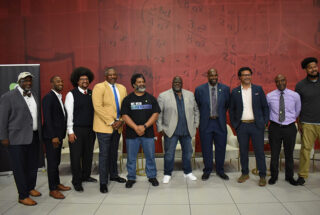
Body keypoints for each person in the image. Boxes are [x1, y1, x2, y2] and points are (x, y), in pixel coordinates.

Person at [0, 72, 42, 206]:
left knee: (32, 165)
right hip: (16, 139)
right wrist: (3, 137)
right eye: (25, 80)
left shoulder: (33, 94)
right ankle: (23, 195)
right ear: (19, 81)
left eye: (30, 80)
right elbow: (2, 120)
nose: (28, 83)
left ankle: (30, 188)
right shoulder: (8, 97)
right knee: (19, 168)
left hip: (34, 136)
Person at [229, 67, 269, 186]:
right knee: (244, 152)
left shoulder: (258, 89)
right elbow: (232, 110)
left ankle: (262, 175)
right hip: (242, 126)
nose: (247, 77)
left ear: (251, 76)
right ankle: (245, 173)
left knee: (259, 152)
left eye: (248, 75)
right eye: (244, 75)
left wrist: (264, 122)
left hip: (257, 126)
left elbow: (265, 107)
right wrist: (236, 125)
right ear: (240, 77)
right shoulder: (235, 92)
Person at [121, 73, 161, 188]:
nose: (142, 83)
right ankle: (131, 178)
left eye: (143, 81)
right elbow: (124, 116)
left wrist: (144, 127)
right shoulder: (127, 99)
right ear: (133, 84)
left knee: (150, 156)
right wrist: (136, 127)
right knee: (131, 158)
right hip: (131, 134)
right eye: (139, 82)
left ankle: (152, 176)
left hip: (148, 133)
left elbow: (155, 114)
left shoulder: (151, 98)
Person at [157, 76, 199, 183]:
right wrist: (161, 128)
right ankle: (167, 174)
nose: (177, 84)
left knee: (188, 152)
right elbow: (159, 113)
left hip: (187, 130)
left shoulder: (190, 94)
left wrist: (196, 124)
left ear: (182, 83)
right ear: (172, 83)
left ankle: (188, 172)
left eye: (179, 82)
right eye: (175, 82)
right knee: (169, 154)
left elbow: (196, 110)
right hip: (171, 131)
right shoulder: (163, 96)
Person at [92, 67, 127, 193]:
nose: (112, 76)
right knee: (104, 155)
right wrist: (112, 122)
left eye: (114, 74)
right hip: (104, 127)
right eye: (110, 75)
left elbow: (125, 107)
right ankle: (103, 182)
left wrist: (121, 120)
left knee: (113, 153)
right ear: (105, 76)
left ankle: (114, 175)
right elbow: (97, 107)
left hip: (118, 127)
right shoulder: (99, 87)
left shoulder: (122, 88)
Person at [65, 67, 97, 192]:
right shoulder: (71, 94)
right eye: (82, 79)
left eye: (87, 79)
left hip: (90, 130)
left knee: (88, 155)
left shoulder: (92, 93)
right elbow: (69, 114)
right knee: (76, 156)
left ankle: (86, 176)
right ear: (77, 81)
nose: (85, 81)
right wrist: (70, 131)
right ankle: (76, 181)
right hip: (76, 130)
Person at [195, 68, 230, 181]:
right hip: (206, 123)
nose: (213, 77)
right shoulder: (200, 89)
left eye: (215, 75)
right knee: (206, 148)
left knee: (221, 147)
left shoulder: (225, 89)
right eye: (211, 75)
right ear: (208, 76)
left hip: (220, 123)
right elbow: (197, 106)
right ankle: (207, 170)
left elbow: (226, 105)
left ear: (217, 76)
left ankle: (220, 170)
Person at [266, 74, 301, 186]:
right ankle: (274, 176)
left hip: (290, 127)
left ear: (286, 81)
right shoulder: (269, 96)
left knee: (289, 153)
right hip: (275, 127)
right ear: (275, 83)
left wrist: (289, 120)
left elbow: (297, 111)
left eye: (282, 80)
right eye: (277, 81)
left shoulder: (295, 95)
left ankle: (289, 176)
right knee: (274, 153)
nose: (280, 83)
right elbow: (268, 111)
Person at [42, 76, 71, 199]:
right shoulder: (48, 98)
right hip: (52, 137)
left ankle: (57, 183)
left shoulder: (58, 97)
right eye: (58, 81)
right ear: (51, 83)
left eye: (62, 81)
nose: (61, 83)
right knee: (52, 163)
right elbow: (47, 119)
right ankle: (52, 189)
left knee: (56, 162)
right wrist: (53, 136)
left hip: (58, 137)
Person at [295, 57, 320, 185]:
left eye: (315, 66)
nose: (313, 69)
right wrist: (299, 122)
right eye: (310, 67)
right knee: (306, 150)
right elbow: (297, 106)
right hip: (308, 123)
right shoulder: (300, 86)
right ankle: (302, 175)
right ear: (306, 70)